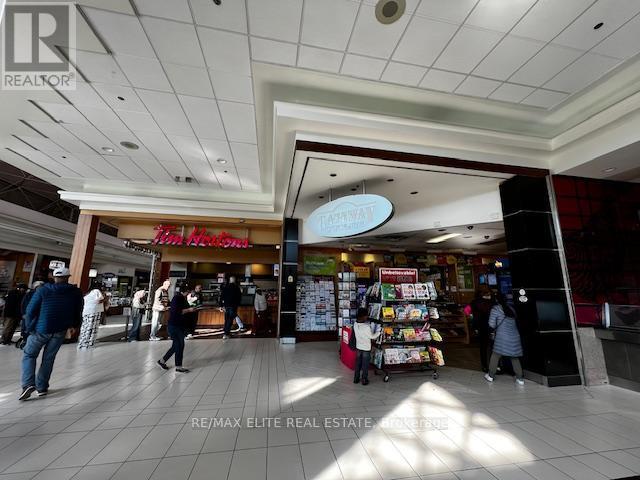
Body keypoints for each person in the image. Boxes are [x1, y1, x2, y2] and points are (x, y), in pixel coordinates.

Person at [20, 267, 83, 400]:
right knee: (48, 359)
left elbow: (30, 311)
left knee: (29, 355)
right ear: (68, 277)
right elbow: (78, 310)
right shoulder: (75, 292)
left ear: (54, 277)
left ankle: (28, 385)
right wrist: (74, 326)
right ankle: (42, 387)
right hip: (60, 330)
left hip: (40, 329)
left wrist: (29, 328)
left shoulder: (43, 290)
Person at [484, 294, 525, 386]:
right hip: (514, 337)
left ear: (496, 300)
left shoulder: (496, 309)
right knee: (514, 357)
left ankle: (490, 375)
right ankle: (520, 378)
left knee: (495, 355)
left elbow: (491, 324)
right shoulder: (511, 309)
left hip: (502, 337)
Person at [158, 288, 197, 373]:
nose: (188, 293)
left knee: (176, 346)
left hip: (178, 325)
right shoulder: (177, 298)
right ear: (183, 291)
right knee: (179, 345)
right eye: (187, 291)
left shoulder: (182, 298)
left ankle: (162, 361)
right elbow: (177, 311)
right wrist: (189, 310)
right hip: (174, 326)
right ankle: (178, 366)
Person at [353, 307, 381, 385]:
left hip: (358, 347)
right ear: (363, 316)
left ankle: (356, 378)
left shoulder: (355, 324)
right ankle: (364, 379)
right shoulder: (366, 327)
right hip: (366, 348)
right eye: (366, 316)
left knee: (358, 363)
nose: (367, 317)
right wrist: (379, 332)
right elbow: (372, 337)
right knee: (365, 365)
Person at [470, 288, 494, 372]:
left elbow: (466, 311)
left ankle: (484, 366)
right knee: (493, 346)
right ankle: (495, 365)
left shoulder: (474, 302)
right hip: (491, 326)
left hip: (480, 327)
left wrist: (472, 317)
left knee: (483, 347)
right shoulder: (492, 302)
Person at [16, 281, 45, 349]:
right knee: (26, 328)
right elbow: (23, 304)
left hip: (38, 315)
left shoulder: (43, 294)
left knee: (34, 329)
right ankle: (24, 340)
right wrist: (23, 313)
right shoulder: (29, 294)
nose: (41, 288)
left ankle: (30, 342)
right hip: (28, 314)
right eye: (39, 287)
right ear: (35, 287)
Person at [77, 283, 105, 349]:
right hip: (94, 311)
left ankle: (82, 342)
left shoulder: (88, 293)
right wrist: (106, 298)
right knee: (92, 327)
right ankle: (89, 343)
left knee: (85, 327)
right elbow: (100, 300)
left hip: (86, 311)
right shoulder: (96, 291)